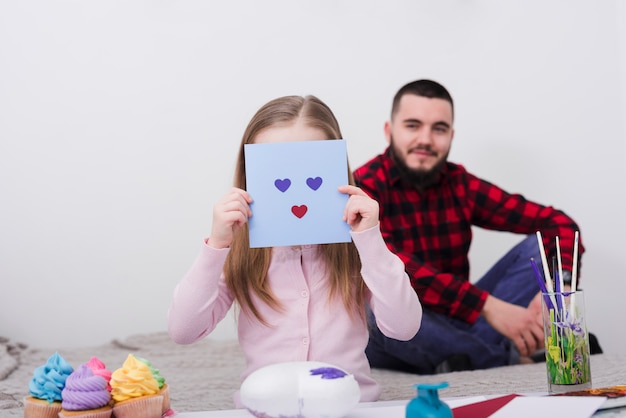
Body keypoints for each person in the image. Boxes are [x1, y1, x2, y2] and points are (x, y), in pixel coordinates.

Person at [167, 95, 422, 406]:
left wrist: (370, 239)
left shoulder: (358, 246)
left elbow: (404, 327)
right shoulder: (239, 251)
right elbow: (183, 330)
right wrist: (216, 246)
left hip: (351, 407)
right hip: (264, 408)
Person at [353, 79, 586, 374]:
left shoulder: (460, 184)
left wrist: (560, 287)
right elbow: (391, 264)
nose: (425, 139)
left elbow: (560, 224)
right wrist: (488, 306)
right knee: (372, 309)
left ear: (450, 135)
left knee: (537, 249)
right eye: (412, 125)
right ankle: (507, 358)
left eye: (438, 129)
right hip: (404, 328)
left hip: (460, 317)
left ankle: (463, 356)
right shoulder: (364, 186)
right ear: (389, 131)